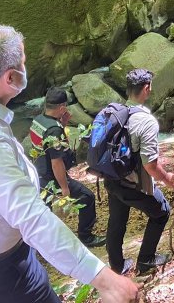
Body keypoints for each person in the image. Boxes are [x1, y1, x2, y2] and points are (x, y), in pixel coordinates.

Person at [0, 26, 138, 303]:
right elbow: (33, 220)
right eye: (24, 63)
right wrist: (105, 279)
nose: (26, 69)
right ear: (11, 77)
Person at [105, 69, 174, 276]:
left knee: (117, 220)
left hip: (112, 177)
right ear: (146, 88)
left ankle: (117, 265)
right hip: (133, 183)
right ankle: (145, 261)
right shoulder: (146, 121)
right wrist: (168, 179)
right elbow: (150, 166)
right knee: (161, 212)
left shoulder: (114, 112)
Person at [30, 87, 105, 248]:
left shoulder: (38, 121)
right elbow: (56, 162)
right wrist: (64, 188)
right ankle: (86, 236)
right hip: (52, 177)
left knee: (45, 211)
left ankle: (44, 244)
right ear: (62, 107)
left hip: (38, 174)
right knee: (87, 197)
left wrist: (62, 123)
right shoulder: (54, 130)